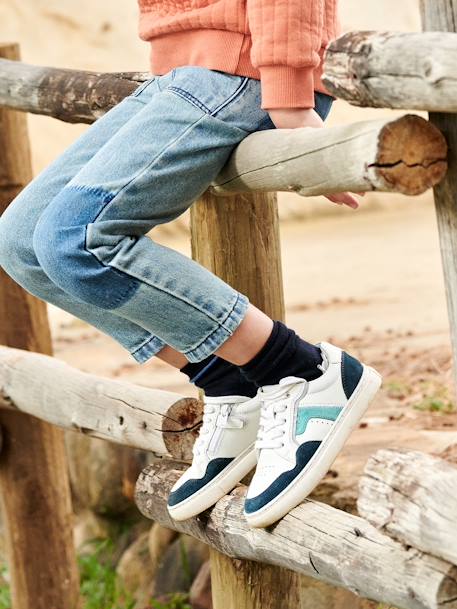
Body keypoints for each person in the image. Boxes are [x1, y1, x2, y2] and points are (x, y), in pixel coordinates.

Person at [0, 0, 382, 528]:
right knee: (21, 242)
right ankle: (230, 379)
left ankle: (303, 371)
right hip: (181, 70)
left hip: (239, 70)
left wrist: (290, 93)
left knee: (78, 241)